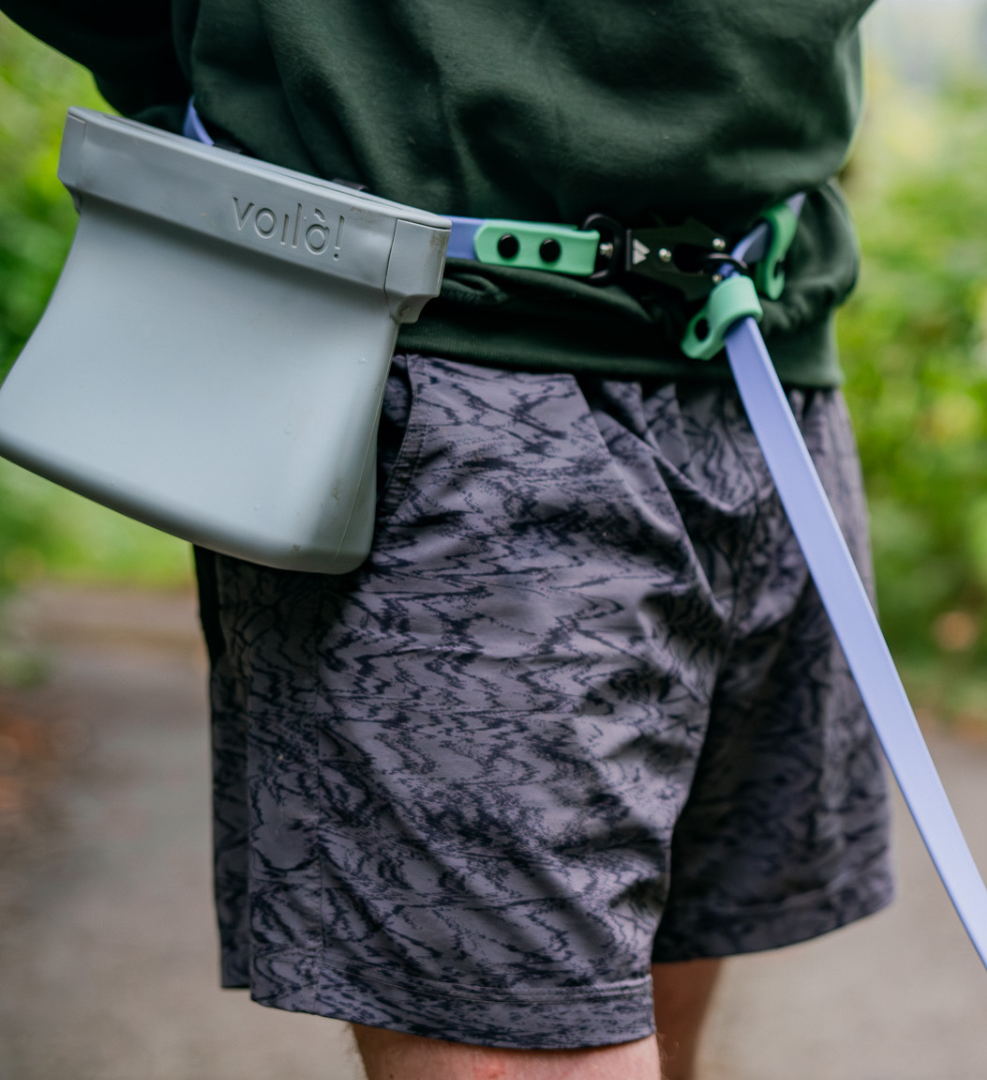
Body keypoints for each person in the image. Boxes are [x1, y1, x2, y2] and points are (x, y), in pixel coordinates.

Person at [0, 3, 891, 1077]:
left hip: (767, 355)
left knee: (663, 975)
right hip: (443, 360)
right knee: (542, 1041)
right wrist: (274, 69)